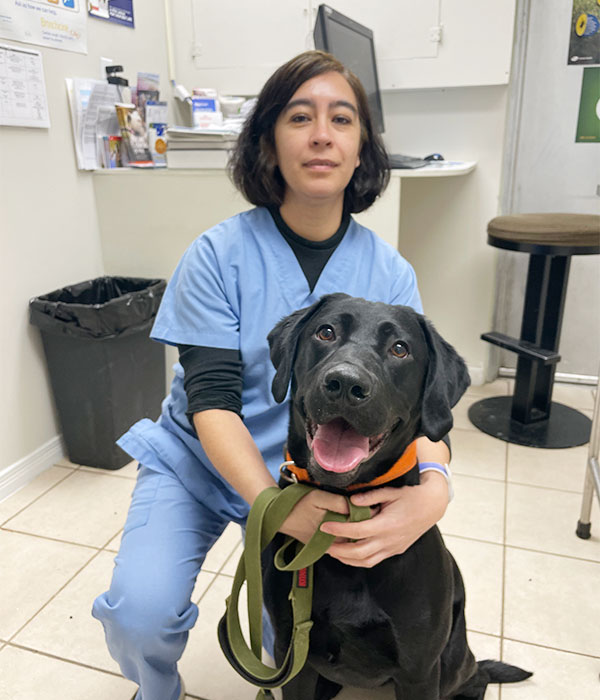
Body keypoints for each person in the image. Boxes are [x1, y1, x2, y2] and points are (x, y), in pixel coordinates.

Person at [93, 50, 452, 700]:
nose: (321, 134)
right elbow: (212, 403)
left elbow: (418, 402)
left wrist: (437, 487)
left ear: (362, 149)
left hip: (321, 470)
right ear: (267, 142)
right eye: (298, 116)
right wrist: (275, 508)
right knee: (140, 613)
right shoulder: (215, 256)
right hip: (204, 463)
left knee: (295, 645)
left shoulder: (391, 274)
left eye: (341, 118)